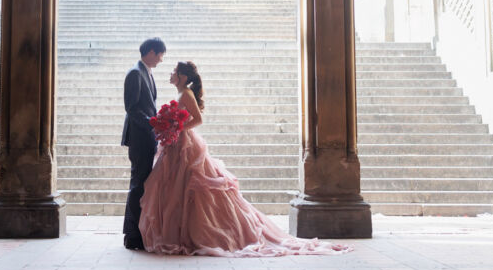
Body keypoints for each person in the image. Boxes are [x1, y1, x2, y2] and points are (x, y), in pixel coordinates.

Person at [139, 61, 351, 257]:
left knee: (191, 187)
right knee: (177, 187)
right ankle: (180, 233)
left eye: (174, 72)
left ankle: (202, 233)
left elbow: (199, 119)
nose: (171, 74)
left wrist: (176, 127)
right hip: (176, 144)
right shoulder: (182, 93)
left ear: (183, 77)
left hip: (185, 144)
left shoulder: (186, 94)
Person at [121, 37, 166, 250]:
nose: (160, 59)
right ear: (150, 51)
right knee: (137, 184)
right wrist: (153, 124)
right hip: (139, 137)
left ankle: (136, 233)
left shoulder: (145, 72)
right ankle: (132, 236)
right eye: (159, 55)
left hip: (146, 136)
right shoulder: (135, 73)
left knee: (140, 184)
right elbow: (131, 109)